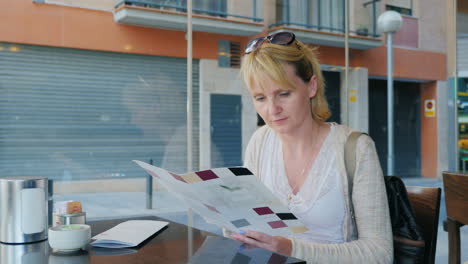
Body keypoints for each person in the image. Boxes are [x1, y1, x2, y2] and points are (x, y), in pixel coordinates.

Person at [231, 31, 393, 263]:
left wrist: (291, 249)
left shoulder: (356, 148)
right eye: (260, 98)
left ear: (311, 87)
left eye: (283, 94)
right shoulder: (260, 142)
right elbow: (249, 221)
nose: (272, 109)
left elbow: (380, 254)